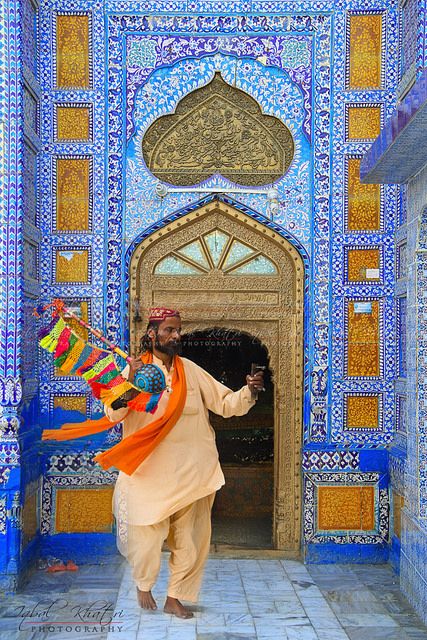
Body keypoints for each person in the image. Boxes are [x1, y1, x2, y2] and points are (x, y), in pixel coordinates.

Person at [105, 307, 264, 619]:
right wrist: (131, 384)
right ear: (152, 335)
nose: (176, 335)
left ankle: (175, 596)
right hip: (148, 473)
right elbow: (113, 413)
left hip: (192, 472)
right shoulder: (131, 372)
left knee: (191, 541)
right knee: (146, 541)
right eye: (169, 330)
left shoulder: (190, 370)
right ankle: (144, 583)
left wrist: (249, 391)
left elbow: (226, 404)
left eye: (178, 330)